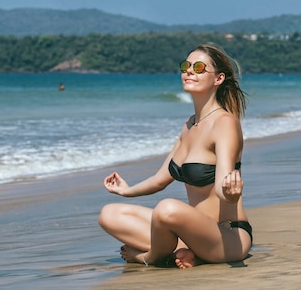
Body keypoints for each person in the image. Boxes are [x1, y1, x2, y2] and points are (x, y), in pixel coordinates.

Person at [98, 42, 251, 269]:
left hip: (226, 236)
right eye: (186, 66)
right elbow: (161, 179)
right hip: (190, 232)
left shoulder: (225, 123)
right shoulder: (189, 125)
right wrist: (125, 190)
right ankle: (184, 252)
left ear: (218, 79)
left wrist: (230, 193)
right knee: (109, 214)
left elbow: (222, 184)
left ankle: (149, 257)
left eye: (199, 67)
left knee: (167, 208)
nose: (189, 71)